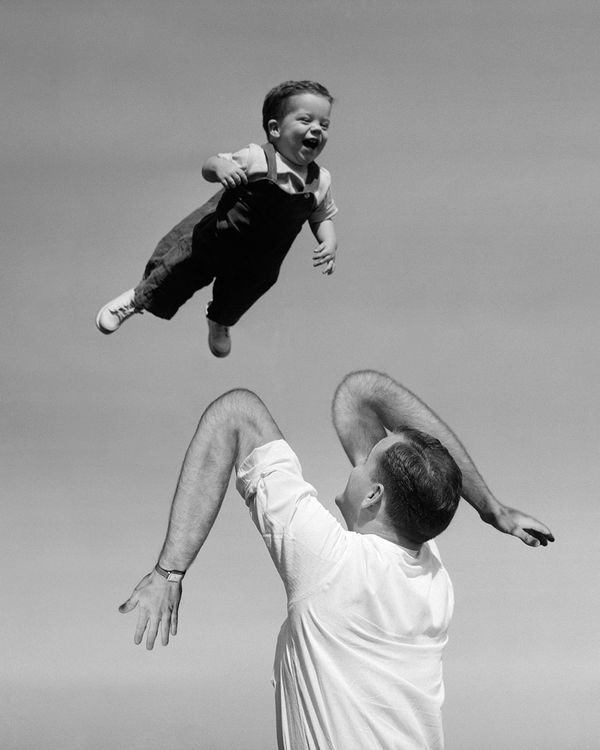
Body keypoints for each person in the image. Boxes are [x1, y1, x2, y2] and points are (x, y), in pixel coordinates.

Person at [119, 370, 554, 749]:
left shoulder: (331, 563)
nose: (357, 462)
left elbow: (237, 413)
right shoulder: (431, 575)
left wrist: (168, 573)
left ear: (374, 495)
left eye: (369, 460)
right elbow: (364, 400)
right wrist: (489, 507)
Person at [95, 80, 338, 357]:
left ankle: (220, 321)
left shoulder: (320, 180)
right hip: (217, 239)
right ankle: (137, 299)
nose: (317, 129)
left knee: (243, 293)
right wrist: (221, 167)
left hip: (261, 259)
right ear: (275, 129)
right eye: (305, 120)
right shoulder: (256, 158)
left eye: (324, 124)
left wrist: (329, 242)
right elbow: (210, 165)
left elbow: (321, 215)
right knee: (178, 270)